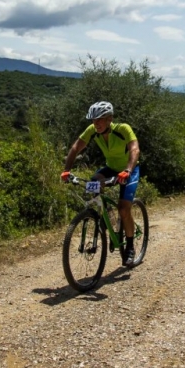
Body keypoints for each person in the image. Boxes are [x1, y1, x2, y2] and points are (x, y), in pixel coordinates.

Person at [61, 101, 141, 266]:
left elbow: (134, 149)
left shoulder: (123, 129)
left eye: (99, 119)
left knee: (124, 209)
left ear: (109, 118)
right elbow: (76, 148)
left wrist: (127, 170)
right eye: (93, 120)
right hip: (111, 168)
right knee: (94, 181)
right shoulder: (92, 131)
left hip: (129, 170)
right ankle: (104, 214)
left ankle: (131, 247)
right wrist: (66, 170)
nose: (95, 123)